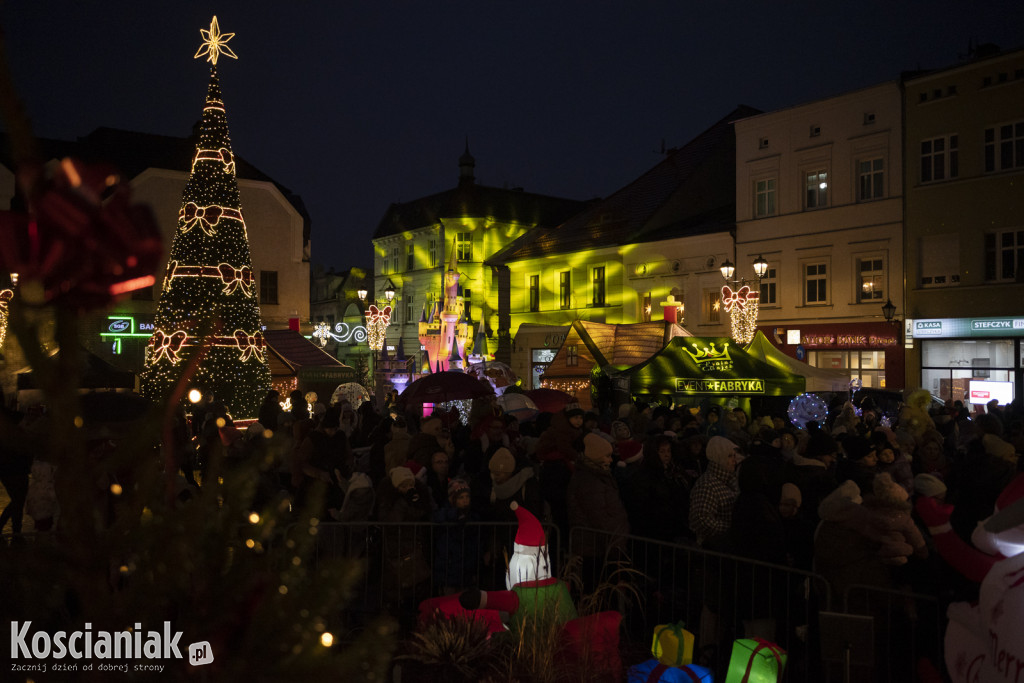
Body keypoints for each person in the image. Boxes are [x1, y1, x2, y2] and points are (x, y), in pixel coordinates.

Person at [567, 433, 630, 590]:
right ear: (596, 457)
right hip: (595, 547)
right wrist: (616, 544)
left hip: (600, 544)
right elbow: (599, 517)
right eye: (607, 456)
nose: (611, 460)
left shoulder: (597, 476)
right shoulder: (590, 482)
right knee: (599, 589)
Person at [688, 436, 740, 550]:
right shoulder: (707, 485)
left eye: (734, 456)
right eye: (730, 456)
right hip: (713, 547)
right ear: (719, 458)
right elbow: (701, 519)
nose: (734, 461)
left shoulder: (730, 481)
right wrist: (730, 529)